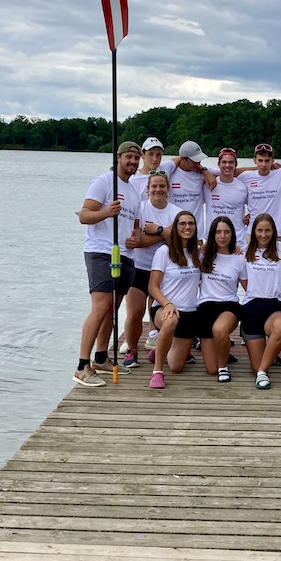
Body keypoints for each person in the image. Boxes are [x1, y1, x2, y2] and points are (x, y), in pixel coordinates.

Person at [74, 141, 141, 387]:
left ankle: (100, 358)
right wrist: (105, 212)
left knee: (112, 308)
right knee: (101, 307)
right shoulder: (104, 182)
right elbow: (84, 215)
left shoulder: (134, 191)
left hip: (125, 255)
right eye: (128, 157)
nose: (132, 162)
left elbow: (135, 225)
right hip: (101, 251)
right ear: (118, 158)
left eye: (136, 158)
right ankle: (82, 365)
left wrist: (136, 238)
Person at [121, 169, 180, 369]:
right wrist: (165, 233)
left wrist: (158, 230)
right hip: (139, 267)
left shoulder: (176, 212)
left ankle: (161, 347)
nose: (158, 190)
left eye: (162, 186)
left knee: (164, 314)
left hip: (164, 271)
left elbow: (179, 243)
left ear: (168, 189)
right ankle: (131, 349)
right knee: (135, 312)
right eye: (154, 186)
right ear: (147, 189)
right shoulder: (140, 209)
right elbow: (136, 242)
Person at [147, 211, 202, 389]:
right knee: (170, 321)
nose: (187, 227)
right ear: (175, 227)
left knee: (177, 367)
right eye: (182, 223)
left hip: (189, 314)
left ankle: (159, 351)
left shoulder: (198, 254)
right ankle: (157, 372)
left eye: (191, 224)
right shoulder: (164, 251)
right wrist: (167, 303)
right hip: (165, 309)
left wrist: (238, 249)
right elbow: (153, 287)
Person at [241, 213, 281, 389]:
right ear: (253, 231)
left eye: (267, 230)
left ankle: (262, 373)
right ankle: (265, 360)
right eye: (259, 230)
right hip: (252, 307)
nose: (263, 235)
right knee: (254, 365)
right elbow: (242, 279)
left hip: (273, 305)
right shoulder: (245, 251)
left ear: (273, 231)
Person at [197, 216, 245, 382]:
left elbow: (249, 287)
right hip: (204, 308)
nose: (222, 236)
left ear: (232, 234)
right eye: (218, 232)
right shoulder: (203, 255)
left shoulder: (239, 258)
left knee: (219, 329)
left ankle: (224, 367)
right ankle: (222, 352)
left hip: (228, 306)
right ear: (212, 234)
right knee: (211, 369)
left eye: (226, 232)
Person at [203, 147, 249, 248]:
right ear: (218, 164)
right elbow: (195, 167)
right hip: (213, 240)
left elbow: (256, 206)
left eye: (231, 162)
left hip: (238, 242)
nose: (227, 165)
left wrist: (251, 216)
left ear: (235, 165)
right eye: (224, 162)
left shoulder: (242, 187)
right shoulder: (208, 184)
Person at [240, 143, 281, 233]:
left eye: (267, 161)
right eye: (260, 161)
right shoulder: (245, 176)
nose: (263, 164)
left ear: (272, 160)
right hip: (252, 232)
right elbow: (230, 177)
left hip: (276, 232)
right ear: (255, 160)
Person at [169, 141, 211, 239]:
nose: (198, 163)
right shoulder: (170, 174)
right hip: (175, 234)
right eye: (194, 161)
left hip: (197, 236)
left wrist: (205, 171)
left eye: (199, 160)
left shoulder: (201, 172)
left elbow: (230, 172)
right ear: (183, 158)